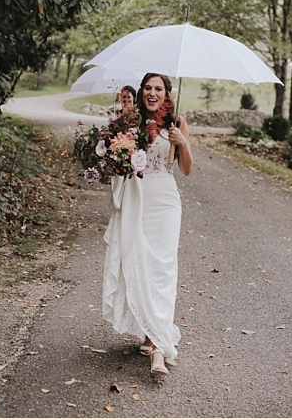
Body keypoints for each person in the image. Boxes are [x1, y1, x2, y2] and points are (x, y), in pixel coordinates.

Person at [102, 73, 192, 376]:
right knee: (138, 264)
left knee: (163, 268)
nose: (153, 93)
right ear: (142, 92)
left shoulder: (176, 123)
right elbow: (117, 162)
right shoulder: (130, 123)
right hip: (137, 200)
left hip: (165, 202)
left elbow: (186, 169)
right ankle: (148, 331)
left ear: (167, 95)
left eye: (159, 89)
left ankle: (157, 347)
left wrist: (183, 144)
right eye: (149, 88)